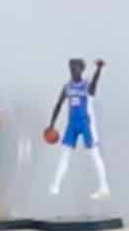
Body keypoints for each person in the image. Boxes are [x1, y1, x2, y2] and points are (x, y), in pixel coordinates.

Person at [46, 57, 111, 199]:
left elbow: (94, 87)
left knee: (94, 154)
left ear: (82, 69)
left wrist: (98, 69)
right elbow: (58, 104)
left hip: (86, 123)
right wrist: (52, 124)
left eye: (75, 68)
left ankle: (104, 187)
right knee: (64, 153)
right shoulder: (67, 87)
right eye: (71, 68)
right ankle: (56, 184)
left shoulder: (86, 85)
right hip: (72, 123)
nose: (73, 71)